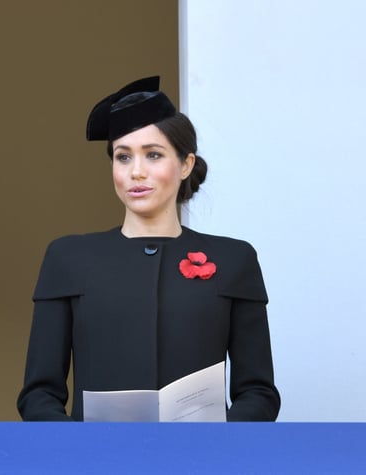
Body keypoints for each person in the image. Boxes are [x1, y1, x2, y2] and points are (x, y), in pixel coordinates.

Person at [17, 76, 280, 421]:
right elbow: (39, 394)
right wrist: (78, 452)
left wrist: (215, 444)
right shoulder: (68, 258)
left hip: (203, 464)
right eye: (123, 157)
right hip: (96, 464)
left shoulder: (234, 259)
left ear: (185, 164)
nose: (136, 172)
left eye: (153, 155)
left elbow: (258, 394)